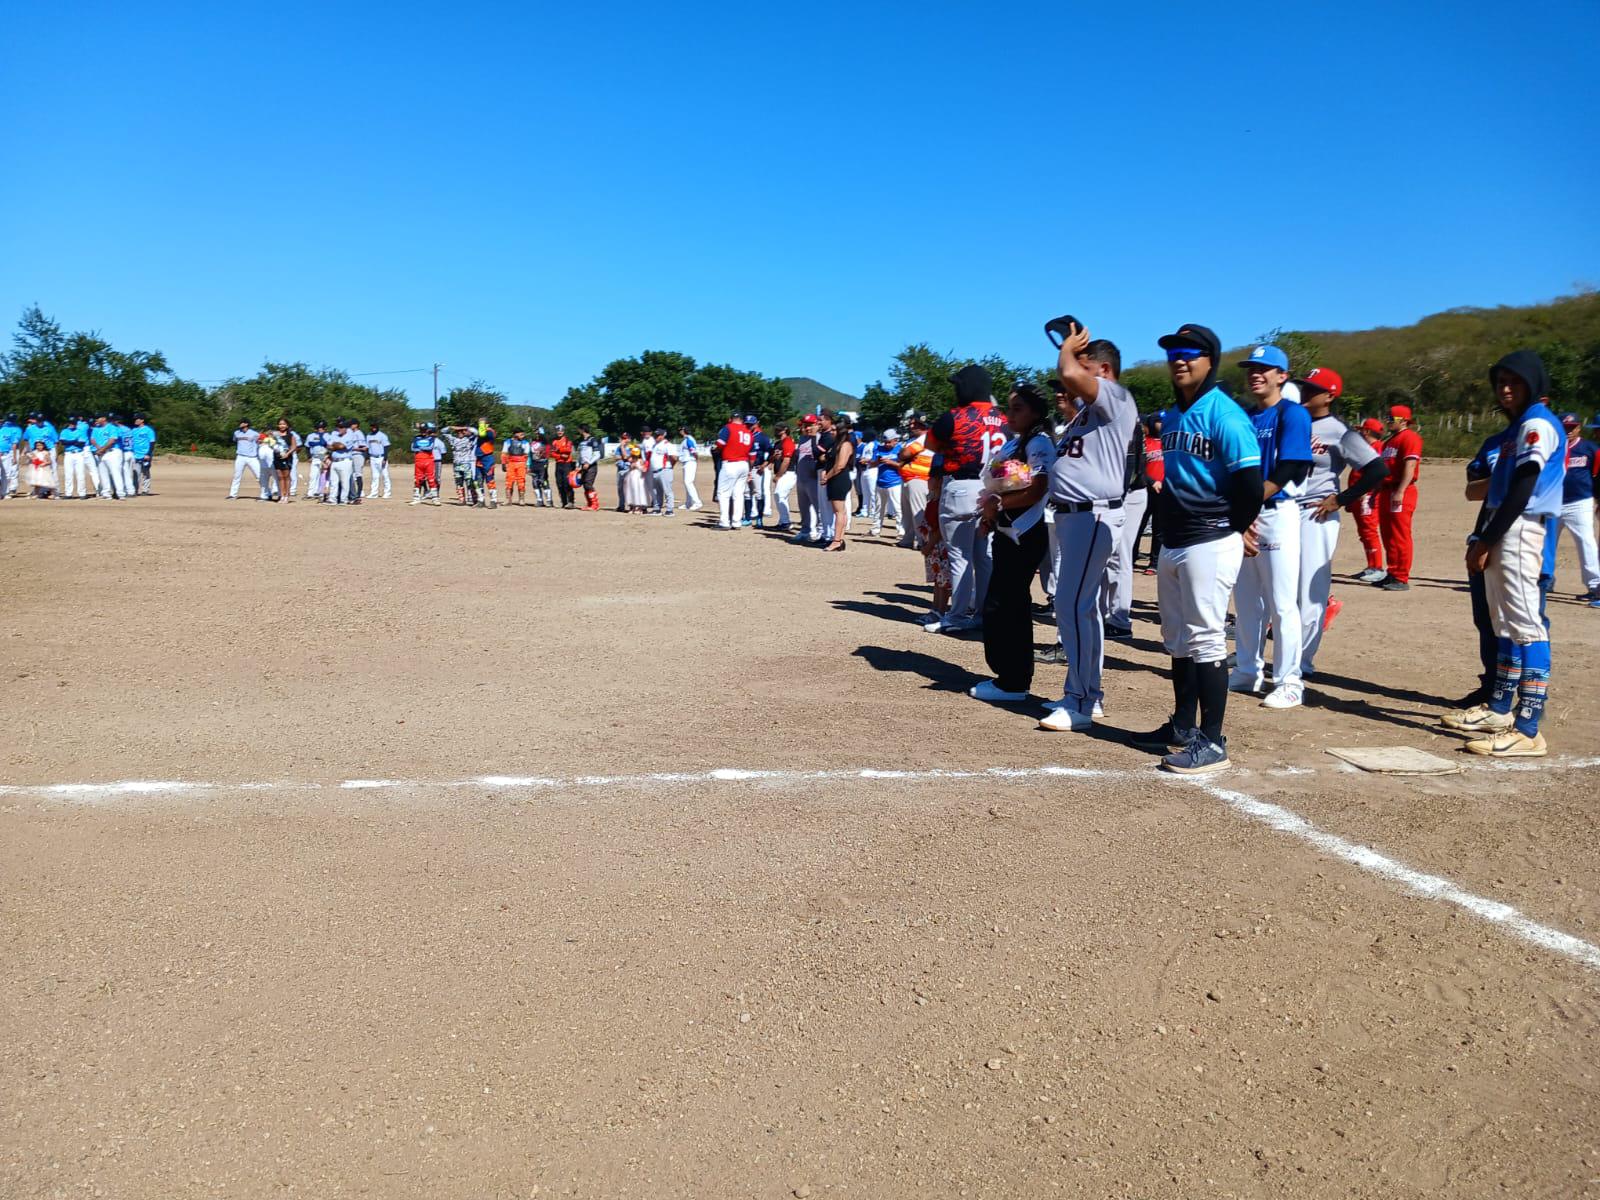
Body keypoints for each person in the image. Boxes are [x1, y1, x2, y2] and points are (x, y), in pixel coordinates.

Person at [1131, 323, 1263, 773]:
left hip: (1210, 539)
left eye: (1190, 352)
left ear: (1210, 360)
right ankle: (1183, 727)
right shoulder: (1172, 415)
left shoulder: (1224, 414)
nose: (1180, 359)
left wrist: (1235, 528)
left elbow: (1248, 482)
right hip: (1175, 540)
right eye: (1173, 352)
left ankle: (1212, 742)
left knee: (1206, 639)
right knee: (1178, 640)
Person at [1441, 351, 1565, 757]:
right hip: (1504, 527)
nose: (1506, 388)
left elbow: (1524, 487)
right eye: (1500, 382)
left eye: (1515, 381)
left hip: (1520, 528)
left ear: (1535, 384)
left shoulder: (1536, 424)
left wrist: (1486, 539)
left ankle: (1528, 728)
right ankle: (1499, 709)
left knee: (1527, 625)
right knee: (1505, 624)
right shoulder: (1516, 430)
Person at [1033, 329, 1137, 729]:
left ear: (1105, 370)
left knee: (1072, 605)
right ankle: (1084, 693)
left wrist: (1066, 351)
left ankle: (1082, 699)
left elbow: (1071, 375)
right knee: (1081, 607)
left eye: (1087, 365)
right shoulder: (1085, 413)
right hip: (1074, 515)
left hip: (1093, 514)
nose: (1074, 375)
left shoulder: (1116, 396)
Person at [1228, 344, 1314, 709]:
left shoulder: (1292, 414)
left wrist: (1248, 506)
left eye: (1264, 369)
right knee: (1246, 600)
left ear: (1282, 376)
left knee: (1281, 602)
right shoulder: (1244, 416)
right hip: (1244, 516)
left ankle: (1289, 681)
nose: (1255, 374)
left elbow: (1290, 467)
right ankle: (1248, 670)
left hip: (1276, 514)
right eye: (1251, 369)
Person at [966, 384, 1057, 703]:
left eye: (1018, 408)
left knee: (1008, 605)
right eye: (1009, 408)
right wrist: (990, 512)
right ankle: (1009, 675)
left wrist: (998, 504)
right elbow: (1003, 482)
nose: (1010, 415)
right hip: (1009, 532)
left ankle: (1014, 680)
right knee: (1002, 603)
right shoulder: (1017, 442)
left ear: (1035, 412)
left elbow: (1037, 488)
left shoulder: (1040, 442)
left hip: (1026, 533)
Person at [1298, 368, 1389, 677]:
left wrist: (1342, 498)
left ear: (1330, 396)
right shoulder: (1293, 421)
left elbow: (1377, 469)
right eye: (1304, 387)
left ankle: (1301, 662)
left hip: (1316, 513)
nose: (1305, 393)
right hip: (1284, 512)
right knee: (1278, 588)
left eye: (1313, 389)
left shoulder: (1338, 430)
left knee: (1310, 589)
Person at [926, 366, 1003, 632]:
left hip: (961, 485)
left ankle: (956, 616)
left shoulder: (956, 415)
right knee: (983, 557)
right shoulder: (1002, 416)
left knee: (959, 556)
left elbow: (931, 443)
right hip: (993, 486)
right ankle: (982, 613)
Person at [1101, 413, 1150, 639]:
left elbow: (1130, 465)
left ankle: (1120, 620)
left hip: (1130, 494)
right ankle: (1107, 615)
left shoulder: (1124, 416)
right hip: (1117, 493)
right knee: (1110, 557)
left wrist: (1113, 500)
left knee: (1121, 556)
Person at [1374, 405, 1423, 591]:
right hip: (1387, 490)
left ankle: (1401, 576)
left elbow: (1410, 466)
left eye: (1391, 418)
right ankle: (1392, 572)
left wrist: (1400, 491)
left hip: (1401, 490)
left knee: (1399, 534)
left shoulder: (1409, 437)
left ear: (1403, 420)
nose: (1387, 421)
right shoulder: (1389, 441)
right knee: (1387, 533)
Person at [1555, 413, 1599, 602]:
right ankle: (1543, 580)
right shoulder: (1553, 448)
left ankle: (1595, 586)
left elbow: (1597, 476)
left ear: (1579, 428)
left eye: (1572, 427)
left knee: (1586, 543)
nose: (1568, 431)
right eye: (1565, 427)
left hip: (1580, 502)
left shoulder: (1590, 449)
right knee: (1544, 544)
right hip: (1553, 502)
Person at [1349, 418, 1388, 581]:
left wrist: (1368, 491)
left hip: (1368, 497)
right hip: (1359, 497)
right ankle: (1371, 565)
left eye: (1360, 430)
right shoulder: (1368, 448)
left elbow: (1379, 473)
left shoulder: (1377, 448)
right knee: (1364, 532)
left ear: (1366, 431)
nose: (1358, 433)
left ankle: (1377, 567)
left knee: (1369, 531)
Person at [817, 410, 855, 552]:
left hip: (839, 479)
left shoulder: (845, 445)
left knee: (839, 512)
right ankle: (839, 539)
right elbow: (827, 459)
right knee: (839, 511)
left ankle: (837, 540)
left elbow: (840, 466)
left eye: (834, 429)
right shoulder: (836, 444)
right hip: (835, 479)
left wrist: (827, 476)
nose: (831, 432)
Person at [897, 414, 933, 549]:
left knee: (918, 511)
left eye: (915, 424)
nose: (911, 426)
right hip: (908, 478)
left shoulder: (926, 438)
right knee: (907, 512)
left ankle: (922, 540)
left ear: (923, 425)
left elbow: (904, 454)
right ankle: (908, 538)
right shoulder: (914, 439)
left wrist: (904, 454)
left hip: (919, 479)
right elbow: (903, 454)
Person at [715, 412, 753, 530]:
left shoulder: (728, 428)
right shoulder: (748, 432)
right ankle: (736, 522)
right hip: (744, 464)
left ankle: (724, 522)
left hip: (730, 463)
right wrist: (750, 470)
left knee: (724, 493)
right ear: (742, 420)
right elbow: (752, 455)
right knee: (738, 494)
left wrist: (716, 449)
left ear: (730, 419)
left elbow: (720, 444)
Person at [792, 414, 821, 542]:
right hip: (801, 478)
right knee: (803, 507)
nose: (808, 428)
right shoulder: (803, 438)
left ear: (816, 425)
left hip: (813, 478)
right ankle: (805, 530)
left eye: (810, 425)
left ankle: (821, 531)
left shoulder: (819, 438)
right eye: (806, 425)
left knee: (818, 506)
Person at [870, 428, 902, 537]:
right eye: (885, 442)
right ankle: (875, 529)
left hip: (895, 482)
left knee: (898, 508)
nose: (887, 444)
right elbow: (872, 464)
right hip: (880, 482)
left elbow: (903, 465)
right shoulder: (878, 448)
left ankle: (901, 531)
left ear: (895, 440)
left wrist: (891, 462)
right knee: (878, 508)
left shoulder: (900, 449)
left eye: (889, 442)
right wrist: (877, 461)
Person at [91, 414, 128, 499]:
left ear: (104, 418)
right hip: (101, 453)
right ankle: (106, 494)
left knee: (116, 473)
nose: (96, 419)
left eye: (98, 418)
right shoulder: (96, 429)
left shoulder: (112, 427)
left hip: (112, 452)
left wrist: (101, 449)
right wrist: (99, 449)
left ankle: (121, 494)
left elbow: (112, 440)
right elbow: (92, 440)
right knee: (103, 474)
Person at [227, 419, 263, 499]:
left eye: (241, 422)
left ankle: (266, 494)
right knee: (237, 476)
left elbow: (260, 441)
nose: (240, 424)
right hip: (240, 456)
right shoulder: (236, 433)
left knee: (259, 475)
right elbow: (234, 440)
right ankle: (233, 494)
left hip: (252, 457)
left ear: (246, 424)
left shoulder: (254, 433)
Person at [58, 415, 92, 499]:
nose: (72, 425)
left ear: (76, 423)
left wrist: (69, 442)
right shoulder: (64, 431)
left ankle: (82, 493)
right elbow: (62, 442)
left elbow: (82, 443)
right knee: (68, 474)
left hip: (78, 453)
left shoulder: (80, 431)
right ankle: (68, 493)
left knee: (80, 474)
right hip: (68, 454)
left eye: (73, 423)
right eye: (71, 423)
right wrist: (74, 441)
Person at [770, 423, 796, 530]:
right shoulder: (778, 443)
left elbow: (786, 461)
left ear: (785, 430)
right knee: (779, 496)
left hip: (788, 472)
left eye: (779, 430)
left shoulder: (788, 442)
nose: (776, 431)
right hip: (782, 473)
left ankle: (786, 522)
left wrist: (778, 475)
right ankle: (782, 521)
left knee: (780, 495)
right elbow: (774, 458)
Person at [444, 424, 478, 505]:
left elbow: (476, 432)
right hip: (456, 464)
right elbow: (443, 431)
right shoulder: (453, 439)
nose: (460, 433)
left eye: (461, 432)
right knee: (459, 483)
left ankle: (474, 499)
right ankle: (462, 500)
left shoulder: (469, 439)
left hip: (466, 464)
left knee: (469, 482)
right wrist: (451, 427)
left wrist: (464, 427)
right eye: (458, 432)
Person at [747, 417, 772, 526]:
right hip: (745, 468)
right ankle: (747, 518)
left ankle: (759, 518)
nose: (749, 426)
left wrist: (765, 464)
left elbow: (770, 452)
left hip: (757, 468)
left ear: (756, 424)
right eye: (747, 424)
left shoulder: (762, 438)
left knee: (759, 493)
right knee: (746, 493)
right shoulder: (744, 436)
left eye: (751, 424)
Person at [647, 428, 677, 516]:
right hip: (655, 471)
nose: (656, 437)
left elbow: (674, 457)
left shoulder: (668, 445)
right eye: (655, 435)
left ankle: (669, 509)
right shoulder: (655, 445)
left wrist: (670, 466)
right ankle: (657, 508)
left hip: (664, 470)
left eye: (658, 435)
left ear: (663, 435)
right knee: (656, 491)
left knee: (667, 490)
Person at [411, 424, 441, 505]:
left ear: (427, 430)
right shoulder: (416, 438)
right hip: (418, 461)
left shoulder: (431, 438)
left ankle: (435, 498)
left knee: (431, 479)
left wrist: (420, 448)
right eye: (422, 430)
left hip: (428, 461)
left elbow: (430, 447)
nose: (423, 432)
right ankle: (416, 498)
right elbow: (413, 448)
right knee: (417, 480)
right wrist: (422, 448)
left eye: (424, 430)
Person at [270, 418, 298, 502]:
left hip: (287, 457)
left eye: (284, 424)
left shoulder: (291, 435)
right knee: (280, 477)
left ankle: (287, 496)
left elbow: (294, 446)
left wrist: (288, 454)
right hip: (277, 457)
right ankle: (282, 495)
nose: (282, 426)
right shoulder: (275, 435)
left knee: (286, 476)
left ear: (287, 425)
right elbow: (272, 444)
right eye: (280, 424)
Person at [577, 427, 604, 510]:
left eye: (579, 429)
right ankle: (589, 504)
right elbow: (580, 455)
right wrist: (577, 465)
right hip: (583, 466)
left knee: (588, 484)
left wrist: (589, 463)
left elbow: (597, 454)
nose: (578, 431)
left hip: (591, 466)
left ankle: (595, 504)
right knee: (585, 485)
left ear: (583, 430)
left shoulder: (592, 440)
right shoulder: (581, 441)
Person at [303, 421, 331, 502]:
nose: (320, 429)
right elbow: (307, 446)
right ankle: (311, 492)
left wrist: (328, 456)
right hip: (315, 456)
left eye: (322, 428)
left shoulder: (328, 436)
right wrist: (309, 456)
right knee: (313, 475)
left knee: (322, 476)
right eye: (319, 428)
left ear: (325, 428)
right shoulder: (311, 436)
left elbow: (330, 447)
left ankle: (320, 492)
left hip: (324, 456)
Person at [502, 428, 531, 504]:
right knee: (509, 481)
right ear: (515, 434)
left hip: (521, 463)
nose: (523, 435)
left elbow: (527, 456)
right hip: (511, 463)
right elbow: (504, 453)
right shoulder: (508, 442)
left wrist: (528, 466)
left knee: (521, 481)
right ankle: (508, 499)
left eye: (523, 434)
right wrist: (503, 463)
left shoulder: (525, 443)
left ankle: (521, 499)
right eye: (521, 434)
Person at [679, 426, 703, 510]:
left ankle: (697, 502)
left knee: (688, 482)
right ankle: (688, 503)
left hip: (690, 462)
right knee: (687, 483)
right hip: (687, 462)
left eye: (681, 430)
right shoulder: (687, 439)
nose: (680, 431)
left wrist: (695, 459)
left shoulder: (689, 439)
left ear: (684, 431)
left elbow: (693, 451)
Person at [475, 424, 500, 509]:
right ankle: (480, 500)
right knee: (478, 480)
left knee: (489, 479)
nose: (480, 423)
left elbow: (483, 434)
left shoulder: (490, 432)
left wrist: (482, 427)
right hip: (478, 458)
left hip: (487, 458)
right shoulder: (478, 432)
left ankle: (493, 501)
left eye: (482, 422)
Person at [550, 425, 575, 508]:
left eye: (561, 431)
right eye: (558, 431)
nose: (559, 432)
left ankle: (571, 501)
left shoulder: (567, 440)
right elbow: (552, 453)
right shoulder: (554, 441)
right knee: (559, 483)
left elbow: (568, 450)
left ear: (563, 431)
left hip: (567, 464)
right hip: (559, 463)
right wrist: (560, 455)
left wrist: (558, 450)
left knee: (567, 483)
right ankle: (564, 502)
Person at [366, 422, 392, 499]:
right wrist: (367, 457)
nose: (373, 428)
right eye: (372, 426)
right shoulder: (368, 436)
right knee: (374, 476)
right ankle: (374, 493)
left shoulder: (382, 435)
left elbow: (386, 447)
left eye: (375, 426)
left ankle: (387, 492)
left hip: (381, 457)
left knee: (385, 475)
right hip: (372, 457)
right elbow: (368, 448)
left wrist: (385, 458)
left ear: (377, 427)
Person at [529, 427, 552, 507]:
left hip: (543, 463)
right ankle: (539, 500)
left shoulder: (545, 442)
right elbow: (530, 454)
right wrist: (528, 465)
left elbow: (548, 452)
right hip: (534, 464)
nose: (536, 435)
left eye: (538, 433)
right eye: (535, 433)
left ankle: (549, 500)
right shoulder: (532, 442)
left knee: (543, 481)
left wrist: (543, 454)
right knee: (535, 482)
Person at [622, 444, 649, 512]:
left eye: (635, 455)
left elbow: (644, 469)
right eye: (633, 455)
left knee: (638, 490)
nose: (635, 457)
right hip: (631, 476)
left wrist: (637, 466)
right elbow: (625, 457)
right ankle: (633, 506)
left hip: (638, 477)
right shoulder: (631, 460)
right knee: (631, 490)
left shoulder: (640, 460)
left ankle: (639, 507)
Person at [0, 413, 20, 498]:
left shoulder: (8, 430)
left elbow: (14, 444)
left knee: (7, 474)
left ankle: (5, 493)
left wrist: (14, 457)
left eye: (1, 421)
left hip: (6, 454)